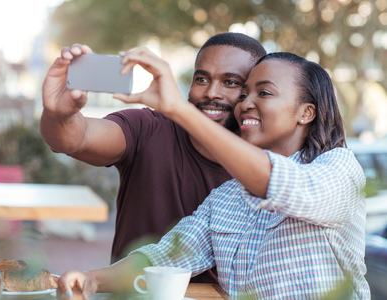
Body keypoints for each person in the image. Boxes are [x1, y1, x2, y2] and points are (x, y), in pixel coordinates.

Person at [56, 50, 370, 299]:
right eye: (245, 93)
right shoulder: (227, 198)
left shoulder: (340, 170)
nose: (246, 103)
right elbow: (164, 258)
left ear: (306, 112)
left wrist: (180, 110)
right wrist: (91, 280)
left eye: (264, 93)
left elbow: (282, 184)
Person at [40, 33, 266, 283]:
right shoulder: (148, 128)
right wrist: (59, 113)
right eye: (202, 79)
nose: (212, 92)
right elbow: (74, 139)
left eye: (231, 82)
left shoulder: (268, 168)